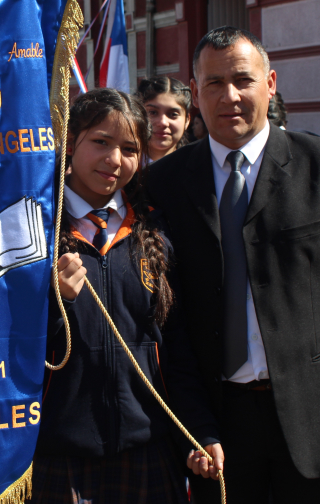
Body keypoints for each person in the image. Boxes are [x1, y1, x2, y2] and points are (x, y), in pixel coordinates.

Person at [147, 26, 320, 504]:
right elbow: (167, 317)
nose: (231, 95)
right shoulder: (165, 184)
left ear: (271, 83)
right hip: (218, 432)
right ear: (196, 94)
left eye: (243, 79)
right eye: (215, 84)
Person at [30, 88, 223, 503]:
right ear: (69, 141)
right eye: (100, 142)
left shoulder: (155, 231)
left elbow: (178, 349)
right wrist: (53, 305)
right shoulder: (34, 232)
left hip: (148, 448)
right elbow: (2, 344)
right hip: (56, 454)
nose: (115, 160)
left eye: (130, 148)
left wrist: (199, 431)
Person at [136, 76, 192, 162]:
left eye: (173, 114)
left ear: (187, 120)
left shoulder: (200, 168)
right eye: (153, 112)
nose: (162, 122)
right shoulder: (119, 166)